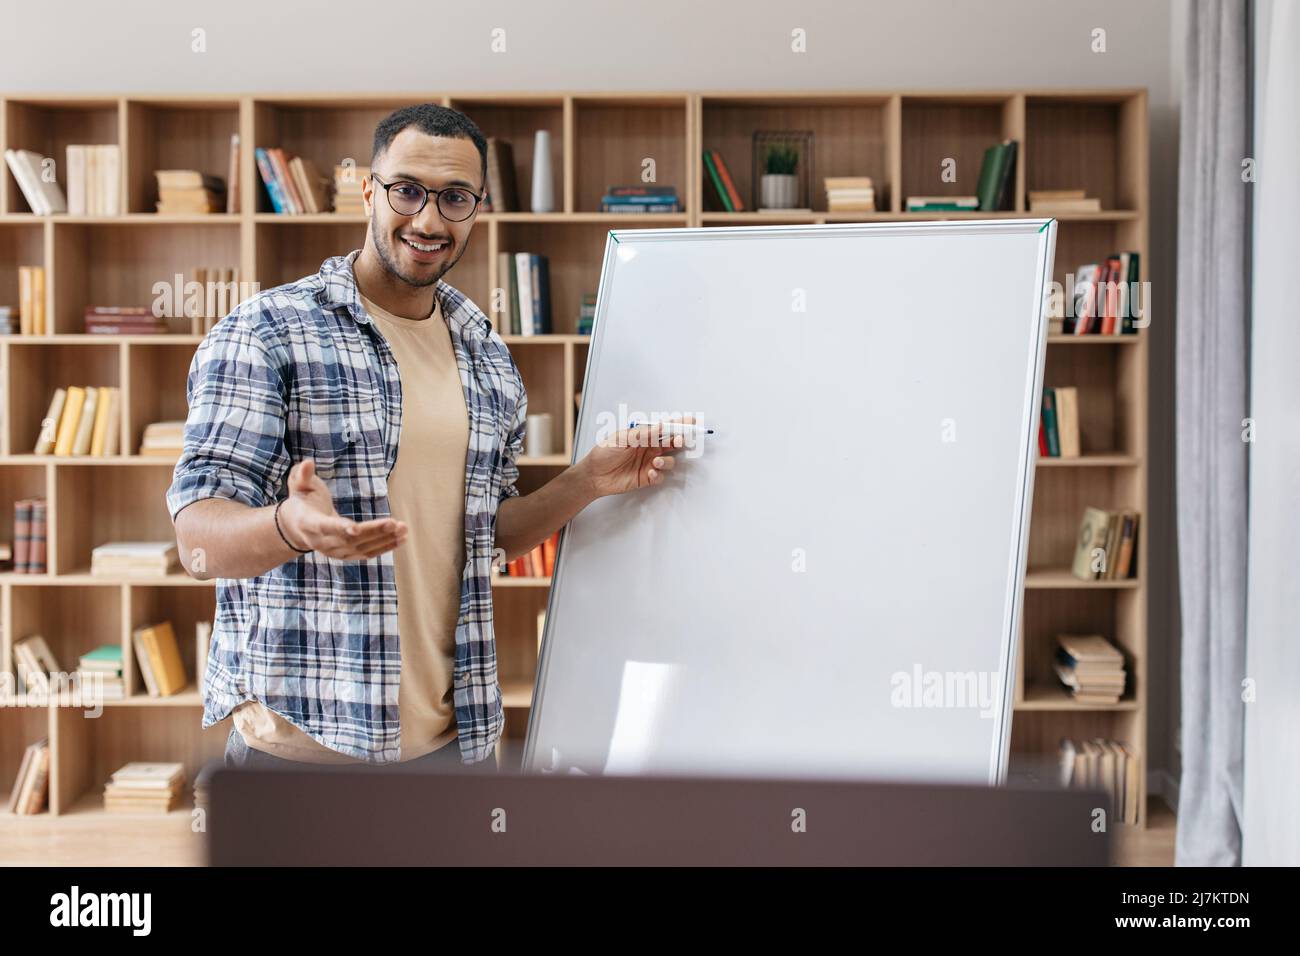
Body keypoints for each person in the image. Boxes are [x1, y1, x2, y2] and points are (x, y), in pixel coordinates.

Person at [166, 103, 688, 771]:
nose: (429, 219)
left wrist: (587, 481)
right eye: (407, 190)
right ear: (369, 192)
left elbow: (489, 534)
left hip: (452, 747)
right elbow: (197, 539)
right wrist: (290, 527)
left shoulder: (485, 353)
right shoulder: (266, 333)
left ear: (478, 208)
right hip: (303, 758)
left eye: (455, 198)